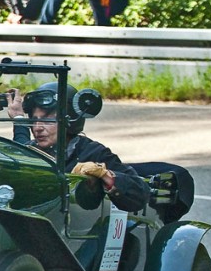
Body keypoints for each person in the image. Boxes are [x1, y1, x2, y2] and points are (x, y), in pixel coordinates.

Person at [20, 82, 147, 212]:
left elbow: (140, 195)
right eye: (34, 120)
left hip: (75, 226)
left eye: (47, 120)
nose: (37, 128)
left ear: (69, 119)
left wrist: (105, 175)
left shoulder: (93, 152)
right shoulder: (26, 152)